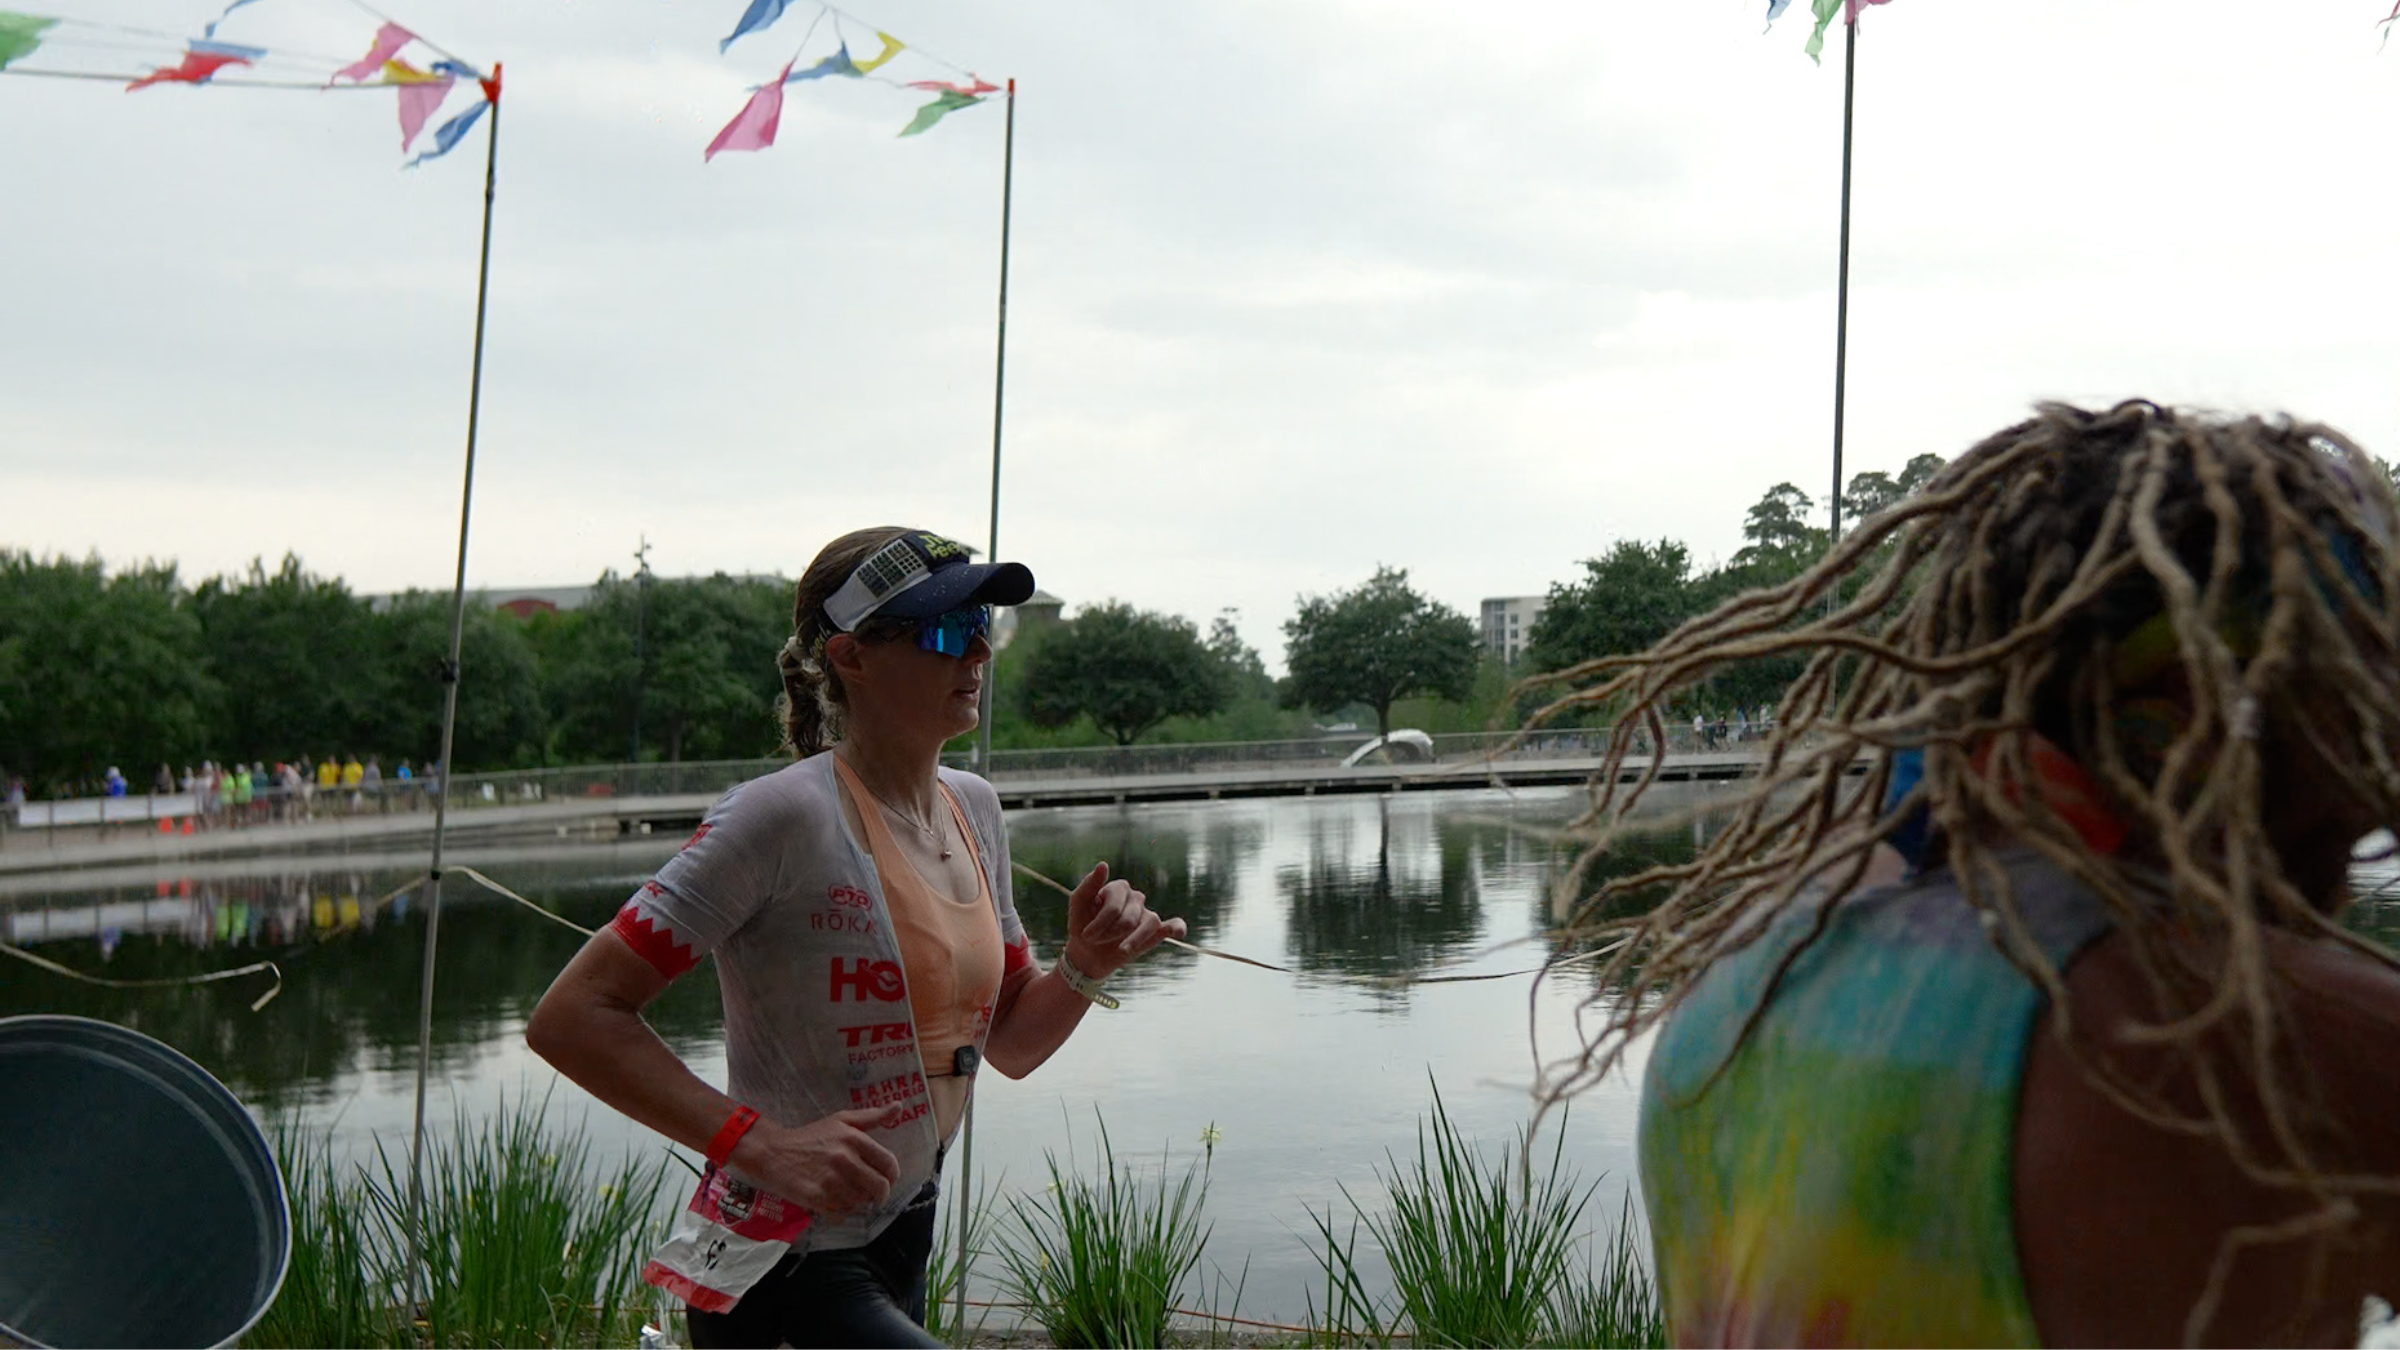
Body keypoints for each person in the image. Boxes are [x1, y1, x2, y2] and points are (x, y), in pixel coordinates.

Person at [1542, 402, 2400, 1346]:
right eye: (2357, 726)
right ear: (2210, 717)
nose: (2368, 807)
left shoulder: (1746, 967)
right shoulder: (2274, 1040)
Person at [526, 528, 1185, 1348]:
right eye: (944, 632)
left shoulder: (973, 807)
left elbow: (1009, 1042)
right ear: (851, 657)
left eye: (982, 623)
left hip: (905, 1232)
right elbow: (572, 1015)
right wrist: (759, 1144)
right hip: (783, 1264)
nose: (978, 650)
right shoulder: (780, 817)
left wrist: (1084, 966)